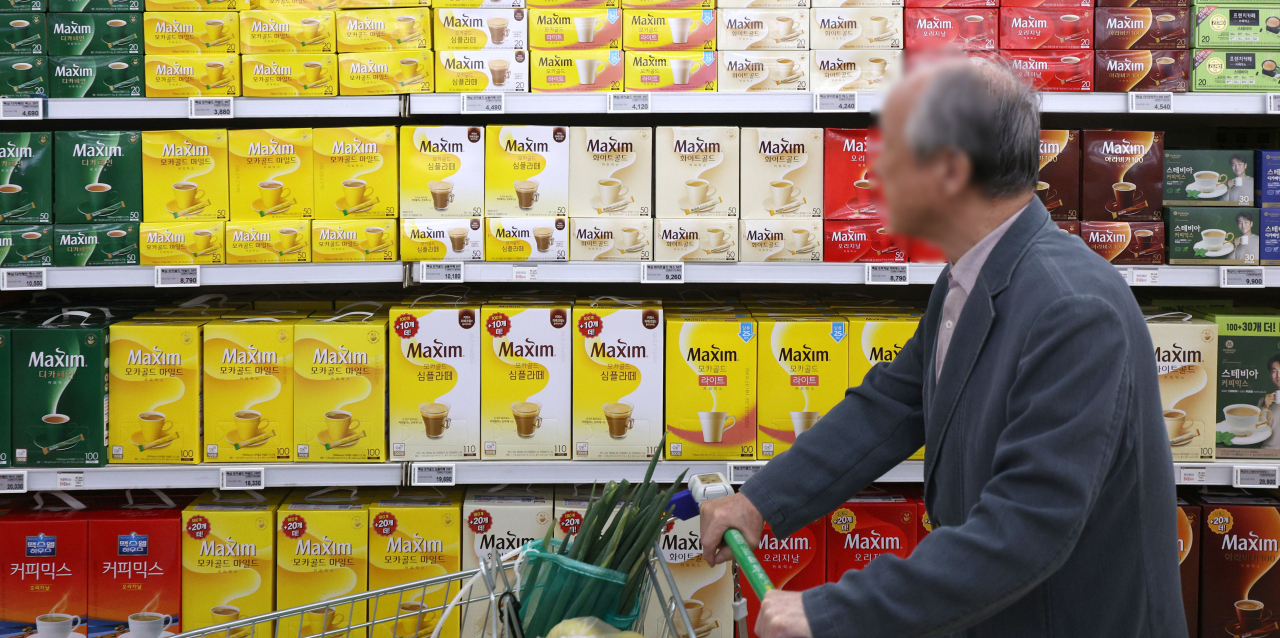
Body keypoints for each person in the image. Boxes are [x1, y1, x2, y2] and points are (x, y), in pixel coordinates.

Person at [700, 58, 1185, 638]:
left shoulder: (1074, 310)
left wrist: (831, 612)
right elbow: (889, 407)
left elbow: (1023, 531)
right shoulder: (971, 276)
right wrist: (759, 502)